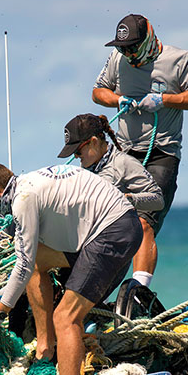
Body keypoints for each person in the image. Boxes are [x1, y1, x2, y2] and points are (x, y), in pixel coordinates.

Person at [0, 162, 142, 375]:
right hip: (107, 229)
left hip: (112, 232)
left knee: (66, 318)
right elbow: (27, 260)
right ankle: (45, 348)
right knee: (38, 259)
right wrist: (5, 292)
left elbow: (21, 265)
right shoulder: (28, 183)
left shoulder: (23, 200)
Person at [92, 13, 188, 287]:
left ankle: (139, 289)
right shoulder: (117, 59)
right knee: (109, 223)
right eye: (122, 47)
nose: (127, 53)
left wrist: (165, 100)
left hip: (161, 154)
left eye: (131, 47)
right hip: (123, 154)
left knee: (144, 222)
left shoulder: (182, 59)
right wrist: (119, 99)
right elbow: (98, 92)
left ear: (147, 40)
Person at [57, 113, 163, 285]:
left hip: (109, 250)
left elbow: (158, 200)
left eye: (77, 151)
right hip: (83, 246)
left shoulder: (124, 164)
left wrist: (127, 199)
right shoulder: (83, 169)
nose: (76, 157)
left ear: (94, 142)